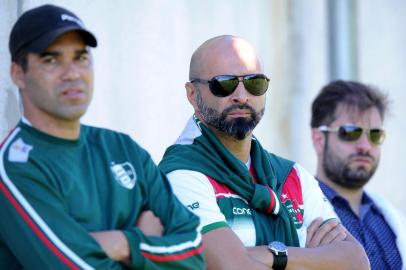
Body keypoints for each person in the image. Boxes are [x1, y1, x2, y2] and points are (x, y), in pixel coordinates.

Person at [0, 4, 204, 269]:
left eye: (81, 57)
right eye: (51, 60)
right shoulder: (15, 168)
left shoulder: (123, 149)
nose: (72, 73)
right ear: (18, 74)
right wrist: (148, 244)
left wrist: (124, 242)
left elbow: (195, 252)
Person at [159, 35, 369, 270]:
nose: (242, 95)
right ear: (192, 95)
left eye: (254, 83)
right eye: (224, 84)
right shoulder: (180, 175)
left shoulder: (292, 176)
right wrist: (312, 259)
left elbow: (357, 262)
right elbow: (231, 266)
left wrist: (273, 257)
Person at [310, 80, 406, 270]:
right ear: (319, 139)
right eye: (351, 133)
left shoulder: (391, 218)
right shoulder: (295, 212)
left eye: (375, 134)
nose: (365, 145)